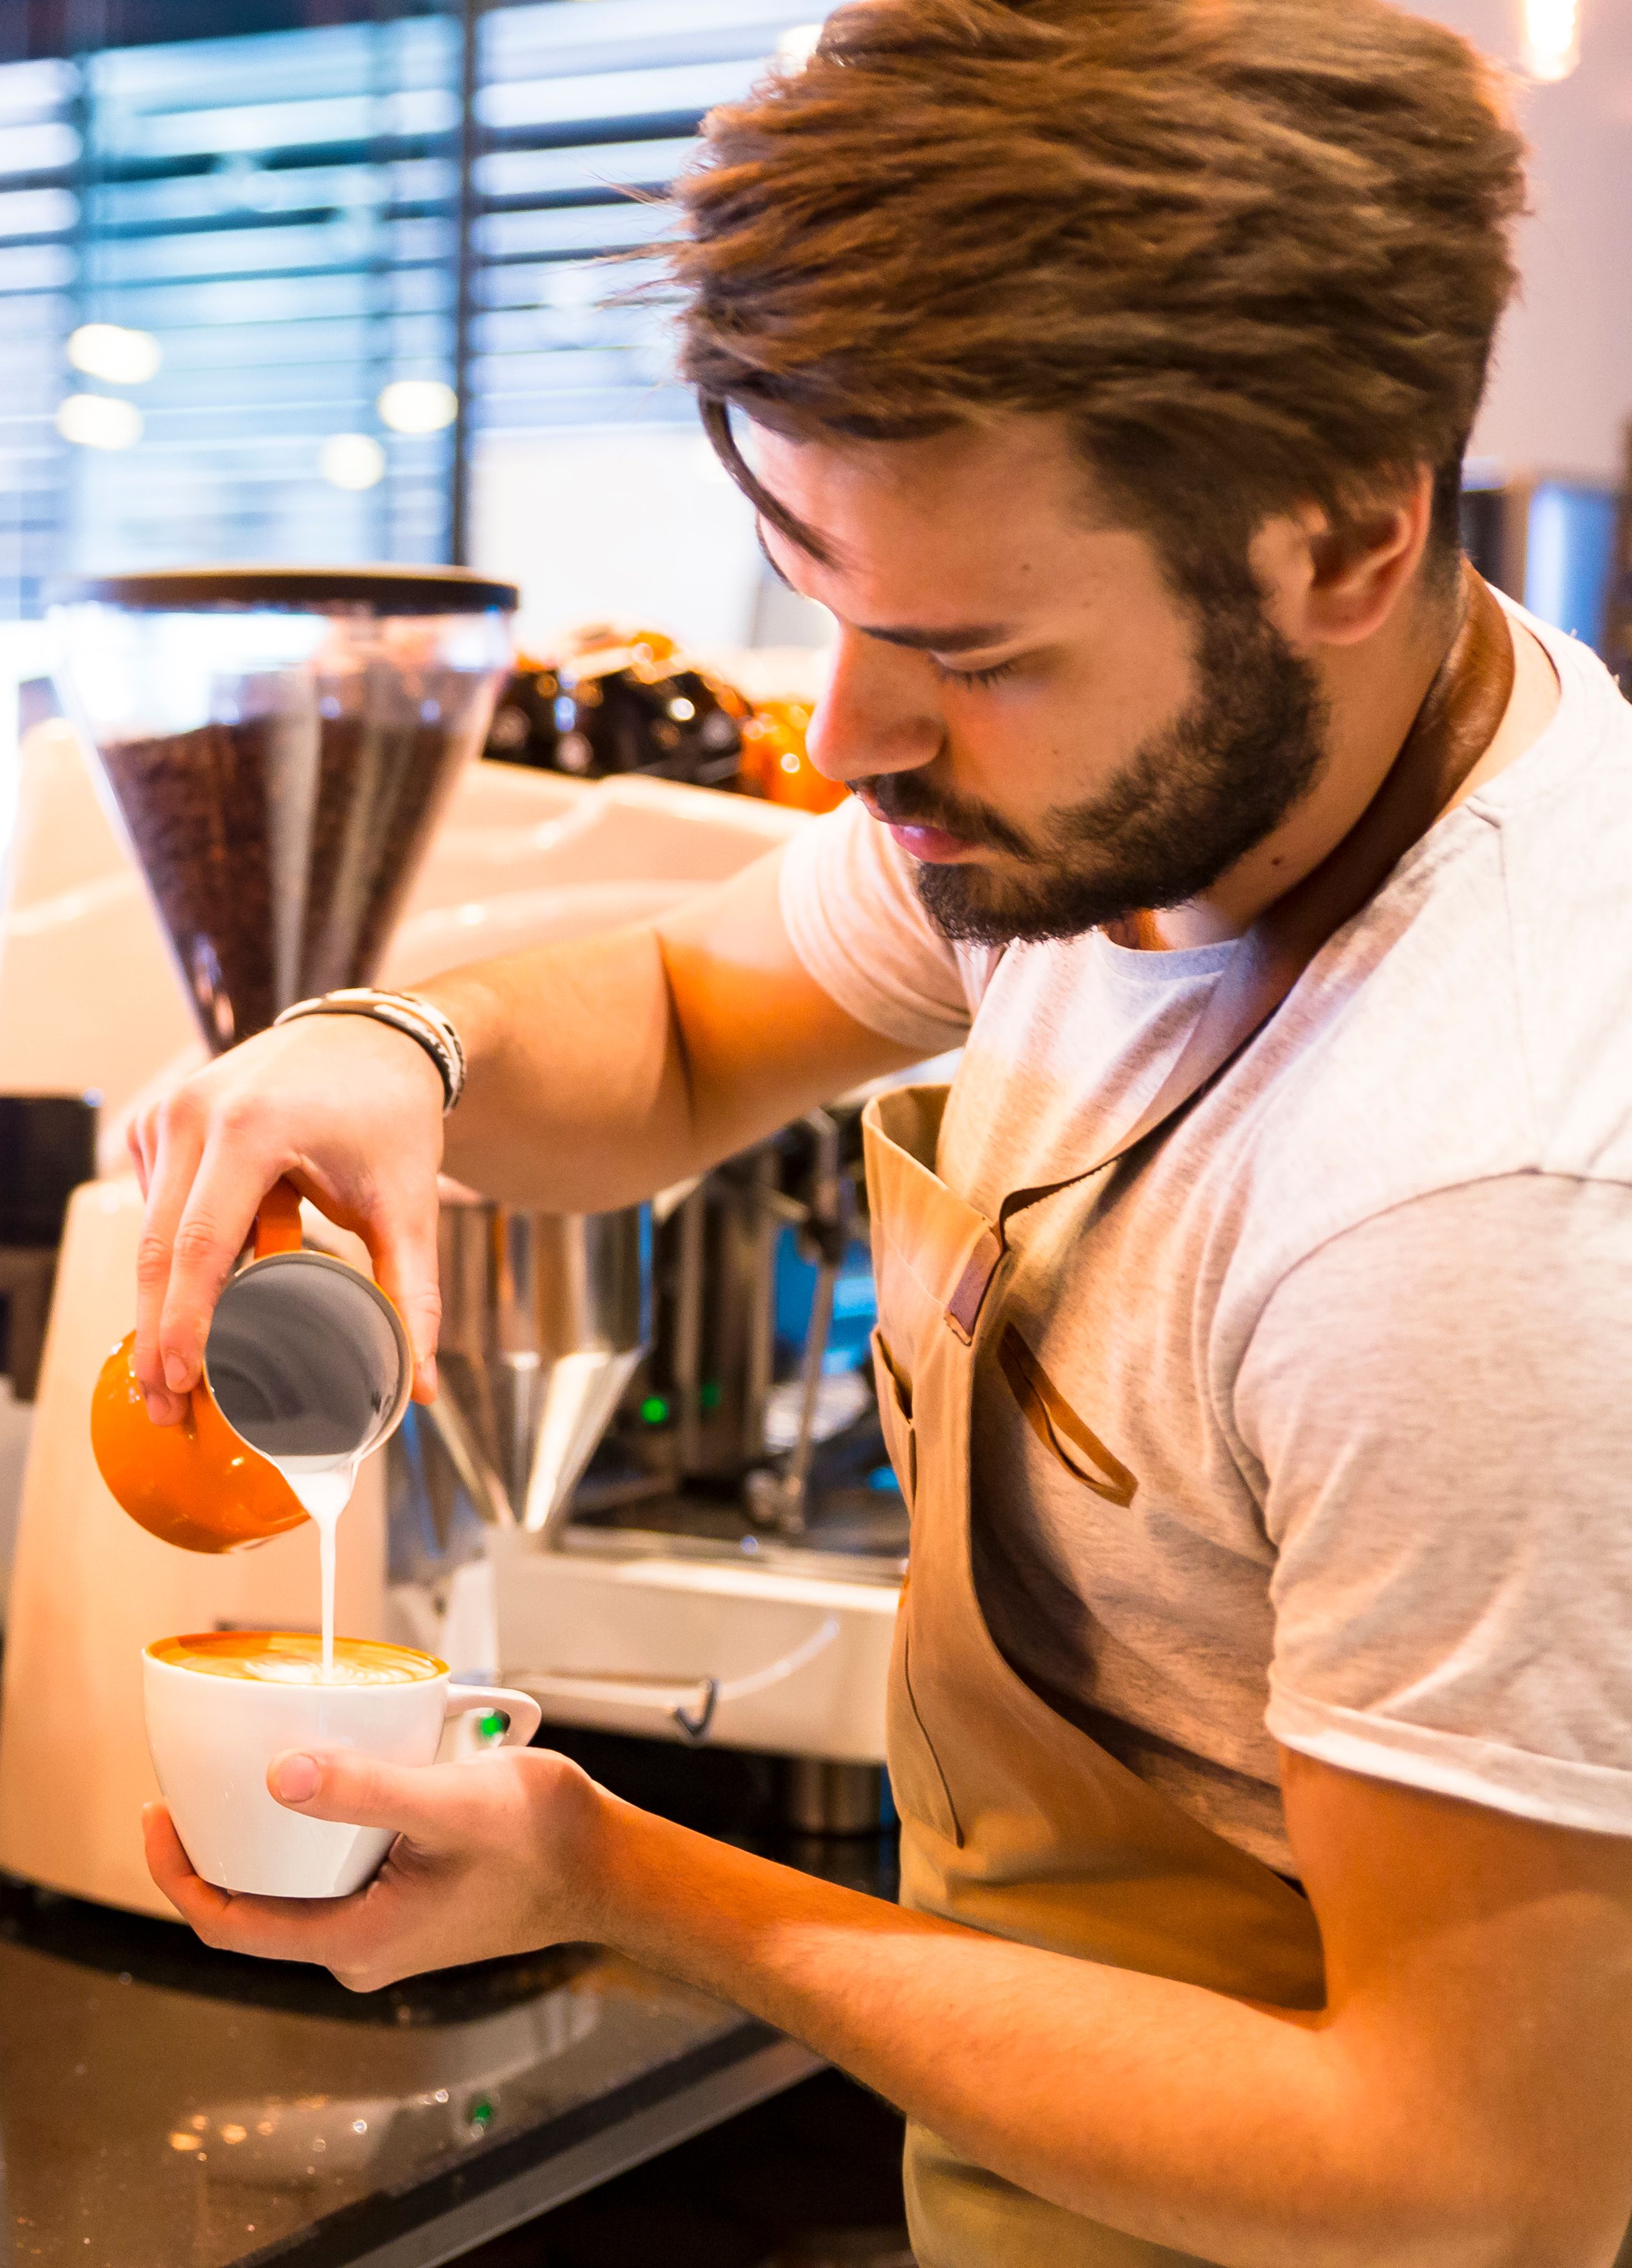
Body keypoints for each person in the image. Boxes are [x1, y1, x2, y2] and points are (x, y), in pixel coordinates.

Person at [124, 4, 1632, 2261]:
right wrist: (393, 1045)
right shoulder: (1158, 779)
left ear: (1343, 537)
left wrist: (608, 1873)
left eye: (964, 645)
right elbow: (677, 1010)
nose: (848, 732)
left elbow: (1463, 2178)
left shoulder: (1475, 1199)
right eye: (817, 590)